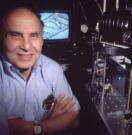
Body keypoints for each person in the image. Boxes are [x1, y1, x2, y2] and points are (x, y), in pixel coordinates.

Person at [0, 6, 80, 135]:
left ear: (42, 39)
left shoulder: (53, 69)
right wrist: (51, 122)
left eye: (34, 36)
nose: (26, 46)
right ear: (1, 38)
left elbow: (73, 117)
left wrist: (32, 128)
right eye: (15, 35)